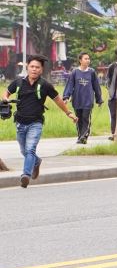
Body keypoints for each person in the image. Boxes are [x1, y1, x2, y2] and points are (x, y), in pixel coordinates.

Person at [1, 55, 78, 187]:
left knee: (30, 149)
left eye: (37, 67)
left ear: (41, 70)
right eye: (32, 67)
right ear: (27, 67)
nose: (34, 69)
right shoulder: (18, 83)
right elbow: (6, 92)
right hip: (20, 122)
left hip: (35, 123)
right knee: (24, 151)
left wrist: (68, 113)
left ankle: (25, 175)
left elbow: (58, 100)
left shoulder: (45, 85)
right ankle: (36, 162)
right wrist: (6, 99)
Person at [62, 52, 103, 144]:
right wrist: (66, 97)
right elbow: (69, 85)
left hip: (88, 100)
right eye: (86, 58)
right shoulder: (74, 72)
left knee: (85, 118)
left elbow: (96, 86)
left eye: (88, 58)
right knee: (78, 118)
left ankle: (84, 136)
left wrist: (99, 99)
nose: (88, 60)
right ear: (80, 60)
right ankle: (80, 136)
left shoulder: (92, 72)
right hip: (77, 100)